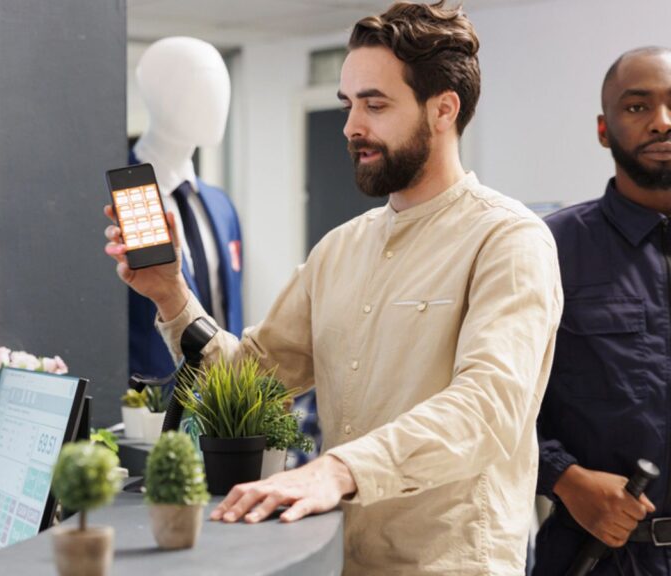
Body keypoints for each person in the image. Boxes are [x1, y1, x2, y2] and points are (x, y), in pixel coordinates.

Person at [104, 2, 562, 573]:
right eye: (349, 104)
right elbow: (249, 380)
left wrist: (336, 469)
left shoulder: (509, 240)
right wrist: (170, 293)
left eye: (375, 104)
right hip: (336, 558)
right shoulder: (338, 249)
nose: (351, 127)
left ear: (443, 109)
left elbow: (488, 407)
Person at [533, 47, 671, 575]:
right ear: (603, 128)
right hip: (597, 557)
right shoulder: (547, 249)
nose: (662, 122)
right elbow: (494, 402)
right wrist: (565, 479)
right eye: (637, 107)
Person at [128, 36, 244, 380]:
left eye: (220, 87)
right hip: (150, 408)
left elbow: (228, 308)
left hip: (222, 407)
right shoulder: (127, 197)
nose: (215, 102)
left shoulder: (221, 207)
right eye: (197, 87)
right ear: (156, 94)